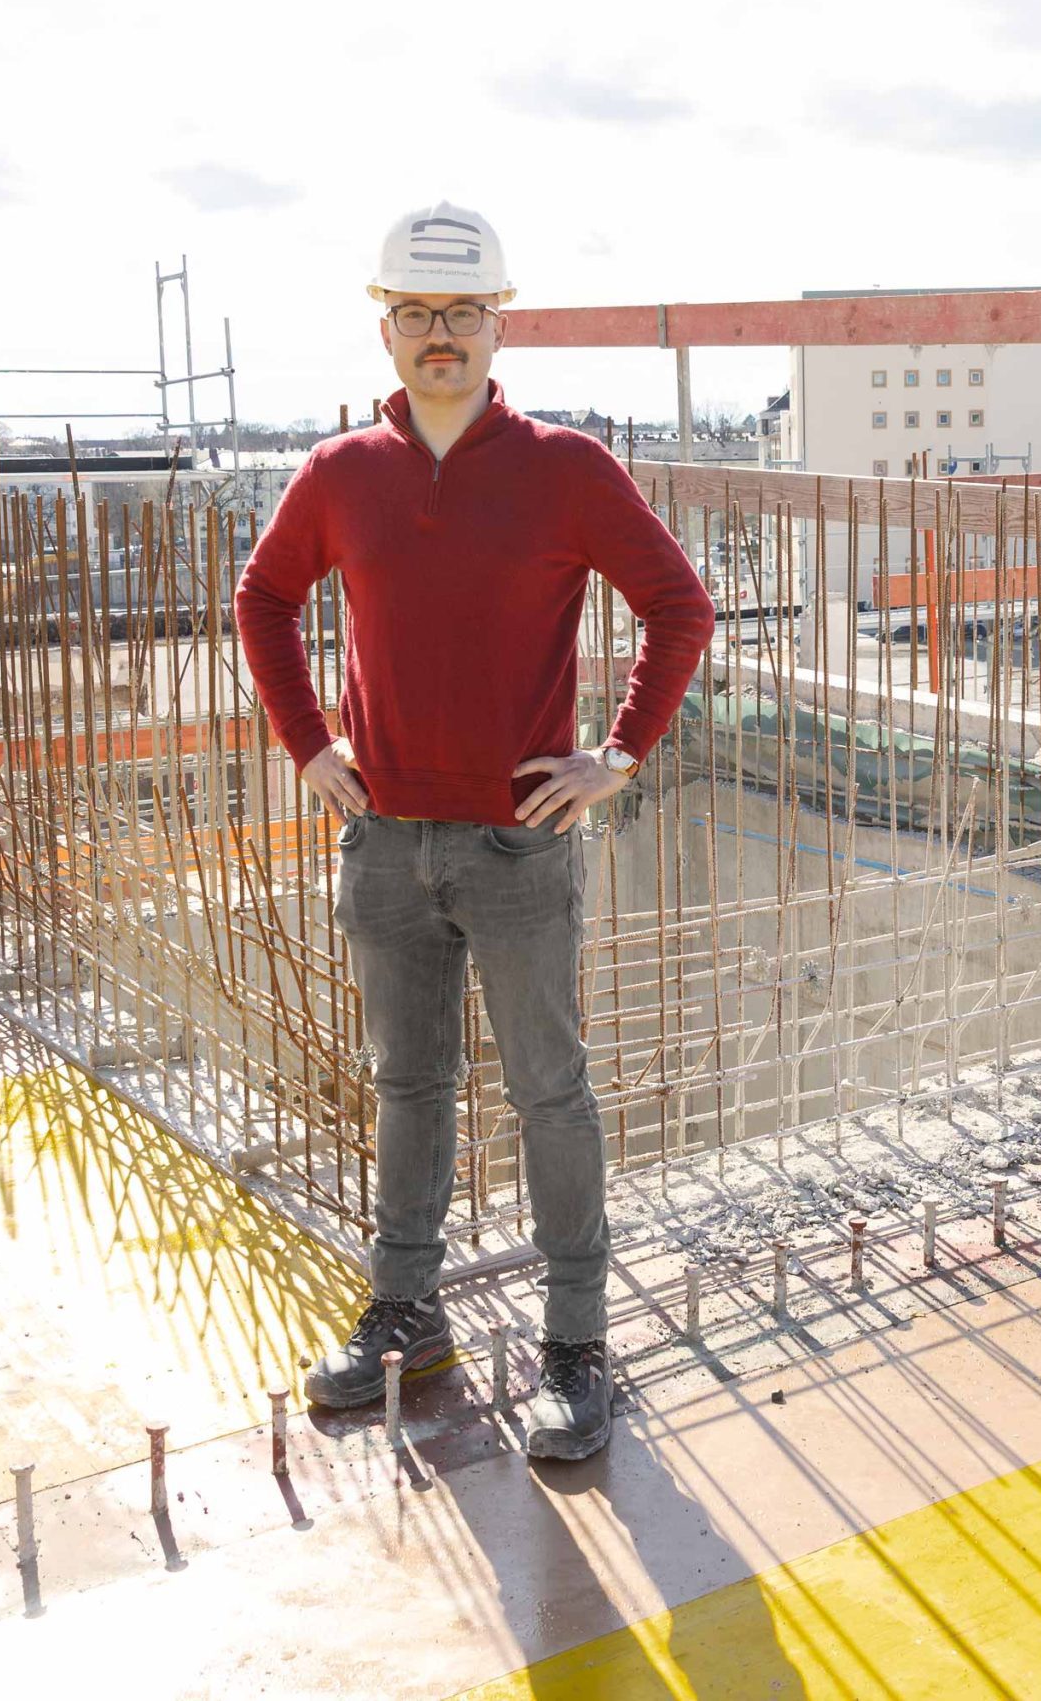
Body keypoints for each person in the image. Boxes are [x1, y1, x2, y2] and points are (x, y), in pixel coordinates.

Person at [234, 202, 714, 1460]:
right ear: (383, 327)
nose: (438, 336)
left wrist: (615, 756)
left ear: (500, 322)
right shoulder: (341, 474)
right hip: (385, 839)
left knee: (552, 1093)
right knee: (408, 1085)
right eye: (416, 315)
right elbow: (265, 597)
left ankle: (575, 1344)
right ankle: (405, 1315)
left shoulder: (564, 469)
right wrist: (311, 744)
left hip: (516, 845)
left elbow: (679, 604)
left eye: (461, 314)